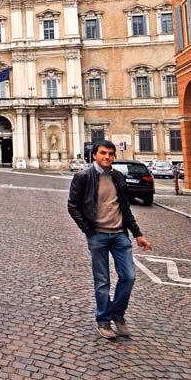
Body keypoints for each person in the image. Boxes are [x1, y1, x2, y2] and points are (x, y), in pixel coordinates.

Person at [67, 140, 152, 340]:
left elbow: (125, 208)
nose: (107, 157)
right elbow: (73, 206)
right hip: (97, 235)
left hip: (120, 234)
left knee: (129, 276)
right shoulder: (83, 177)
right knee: (102, 280)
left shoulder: (118, 177)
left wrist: (137, 234)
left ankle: (117, 314)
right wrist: (88, 230)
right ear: (94, 155)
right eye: (103, 153)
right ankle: (104, 320)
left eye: (110, 154)